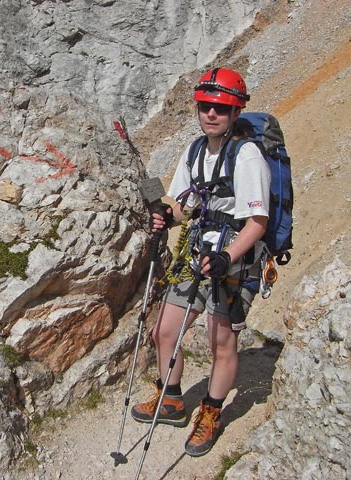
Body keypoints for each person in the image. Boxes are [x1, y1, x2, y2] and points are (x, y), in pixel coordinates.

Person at [131, 67, 271, 457]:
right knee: (164, 330)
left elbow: (257, 222)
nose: (211, 114)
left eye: (221, 108)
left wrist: (227, 256)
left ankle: (211, 413)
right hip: (197, 251)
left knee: (220, 342)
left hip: (233, 259)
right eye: (205, 106)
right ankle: (171, 399)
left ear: (236, 111)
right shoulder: (194, 150)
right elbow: (183, 204)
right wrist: (166, 214)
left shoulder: (247, 157)